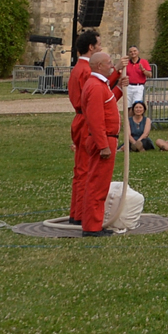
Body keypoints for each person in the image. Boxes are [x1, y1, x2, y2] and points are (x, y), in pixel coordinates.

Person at [73, 51, 121, 236]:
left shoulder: (99, 85)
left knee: (100, 184)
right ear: (100, 65)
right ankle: (92, 226)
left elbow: (107, 100)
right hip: (103, 139)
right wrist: (103, 145)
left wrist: (121, 88)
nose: (111, 66)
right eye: (109, 63)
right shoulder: (94, 86)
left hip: (107, 138)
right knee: (96, 185)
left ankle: (94, 223)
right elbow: (95, 118)